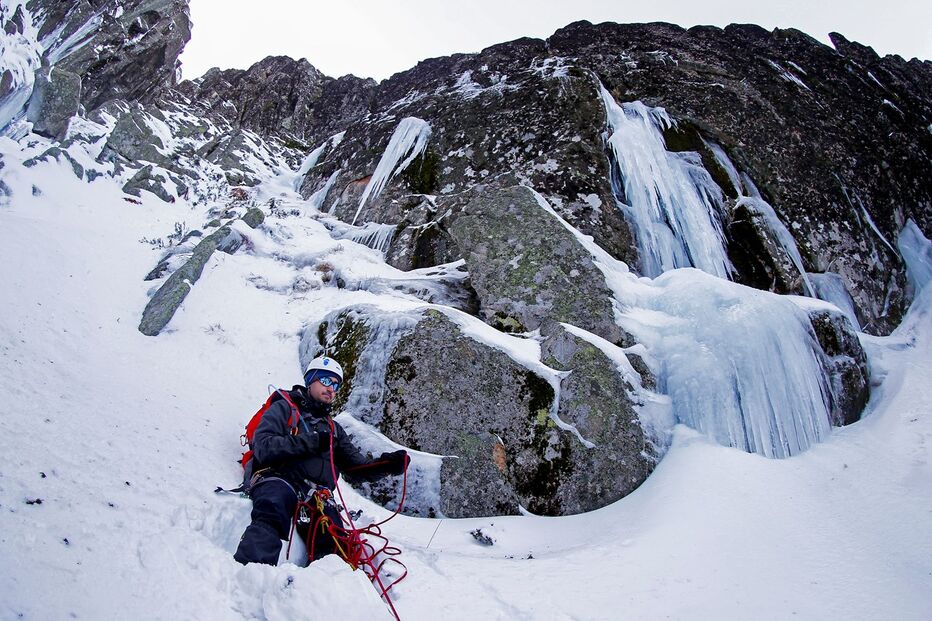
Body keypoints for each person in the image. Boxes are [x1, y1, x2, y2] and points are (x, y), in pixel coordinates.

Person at [234, 355, 408, 565]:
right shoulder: (284, 409)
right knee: (273, 506)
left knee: (336, 543)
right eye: (326, 381)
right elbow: (264, 447)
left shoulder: (334, 429)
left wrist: (386, 465)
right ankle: (250, 569)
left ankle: (326, 590)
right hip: (280, 478)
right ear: (310, 381)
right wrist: (312, 441)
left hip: (318, 496)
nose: (331, 388)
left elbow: (355, 468)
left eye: (335, 384)